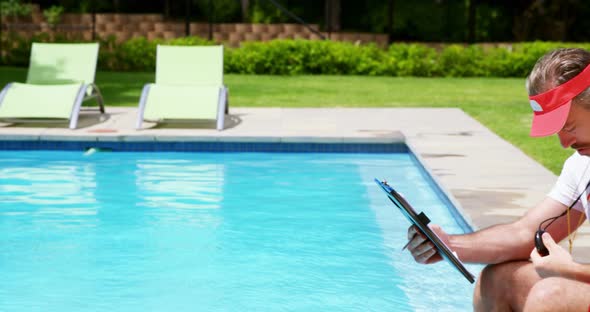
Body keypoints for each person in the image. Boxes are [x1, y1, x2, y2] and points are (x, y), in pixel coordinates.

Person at [406, 47, 590, 312]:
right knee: (497, 279)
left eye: (569, 126)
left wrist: (569, 270)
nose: (564, 143)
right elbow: (524, 234)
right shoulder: (582, 165)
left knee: (551, 296)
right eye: (557, 131)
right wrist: (449, 245)